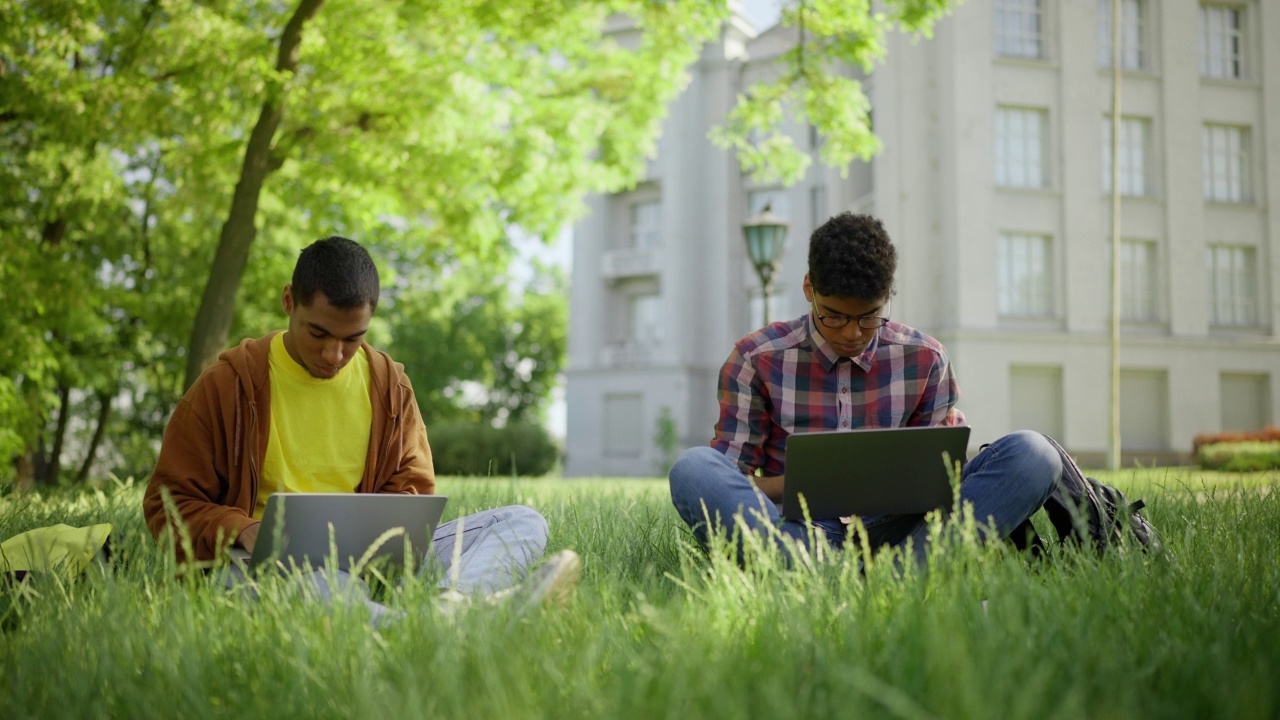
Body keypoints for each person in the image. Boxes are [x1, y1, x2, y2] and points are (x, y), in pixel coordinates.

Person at [143, 236, 579, 620]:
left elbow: (413, 492)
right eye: (318, 333)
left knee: (523, 522)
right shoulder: (227, 385)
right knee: (321, 587)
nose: (334, 355)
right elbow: (168, 505)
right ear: (289, 301)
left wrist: (375, 541)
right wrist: (238, 527)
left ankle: (454, 606)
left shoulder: (389, 386)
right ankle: (438, 626)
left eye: (352, 339)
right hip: (266, 565)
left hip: (372, 561)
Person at [668, 212, 1062, 566]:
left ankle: (875, 574)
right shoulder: (756, 359)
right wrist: (809, 486)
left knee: (1035, 453)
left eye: (869, 317)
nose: (852, 333)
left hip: (907, 532)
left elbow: (944, 479)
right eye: (834, 316)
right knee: (693, 469)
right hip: (801, 532)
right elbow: (730, 479)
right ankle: (871, 576)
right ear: (809, 289)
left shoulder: (925, 358)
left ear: (886, 299)